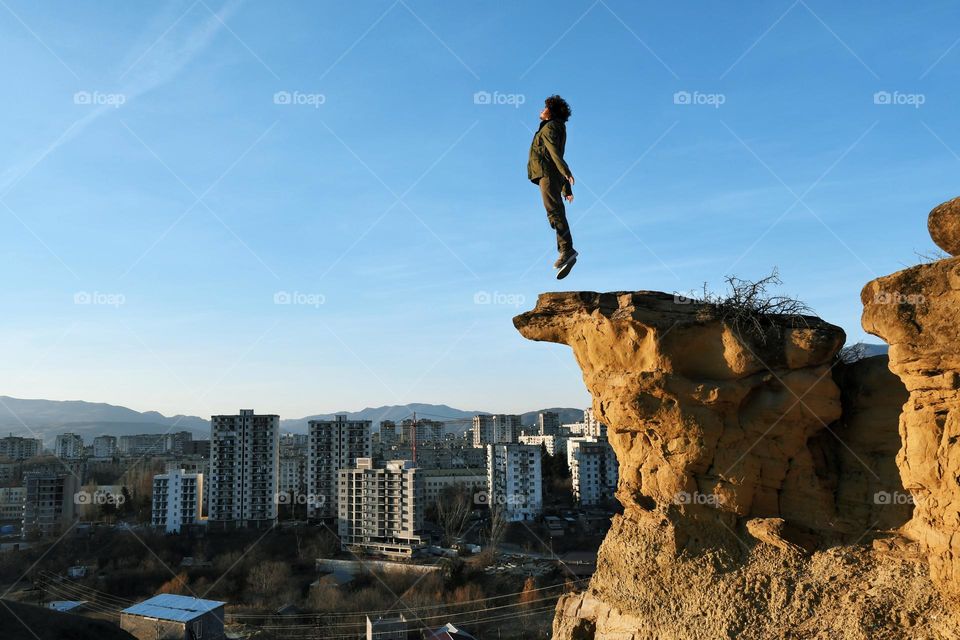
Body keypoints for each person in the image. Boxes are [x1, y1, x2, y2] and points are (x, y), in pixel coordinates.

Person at [528, 95, 576, 278]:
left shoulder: (550, 127)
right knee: (555, 211)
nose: (541, 110)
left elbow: (554, 153)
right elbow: (554, 155)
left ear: (551, 112)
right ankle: (566, 251)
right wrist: (566, 188)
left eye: (545, 107)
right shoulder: (554, 127)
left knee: (554, 212)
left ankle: (567, 250)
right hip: (549, 174)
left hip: (547, 175)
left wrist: (566, 172)